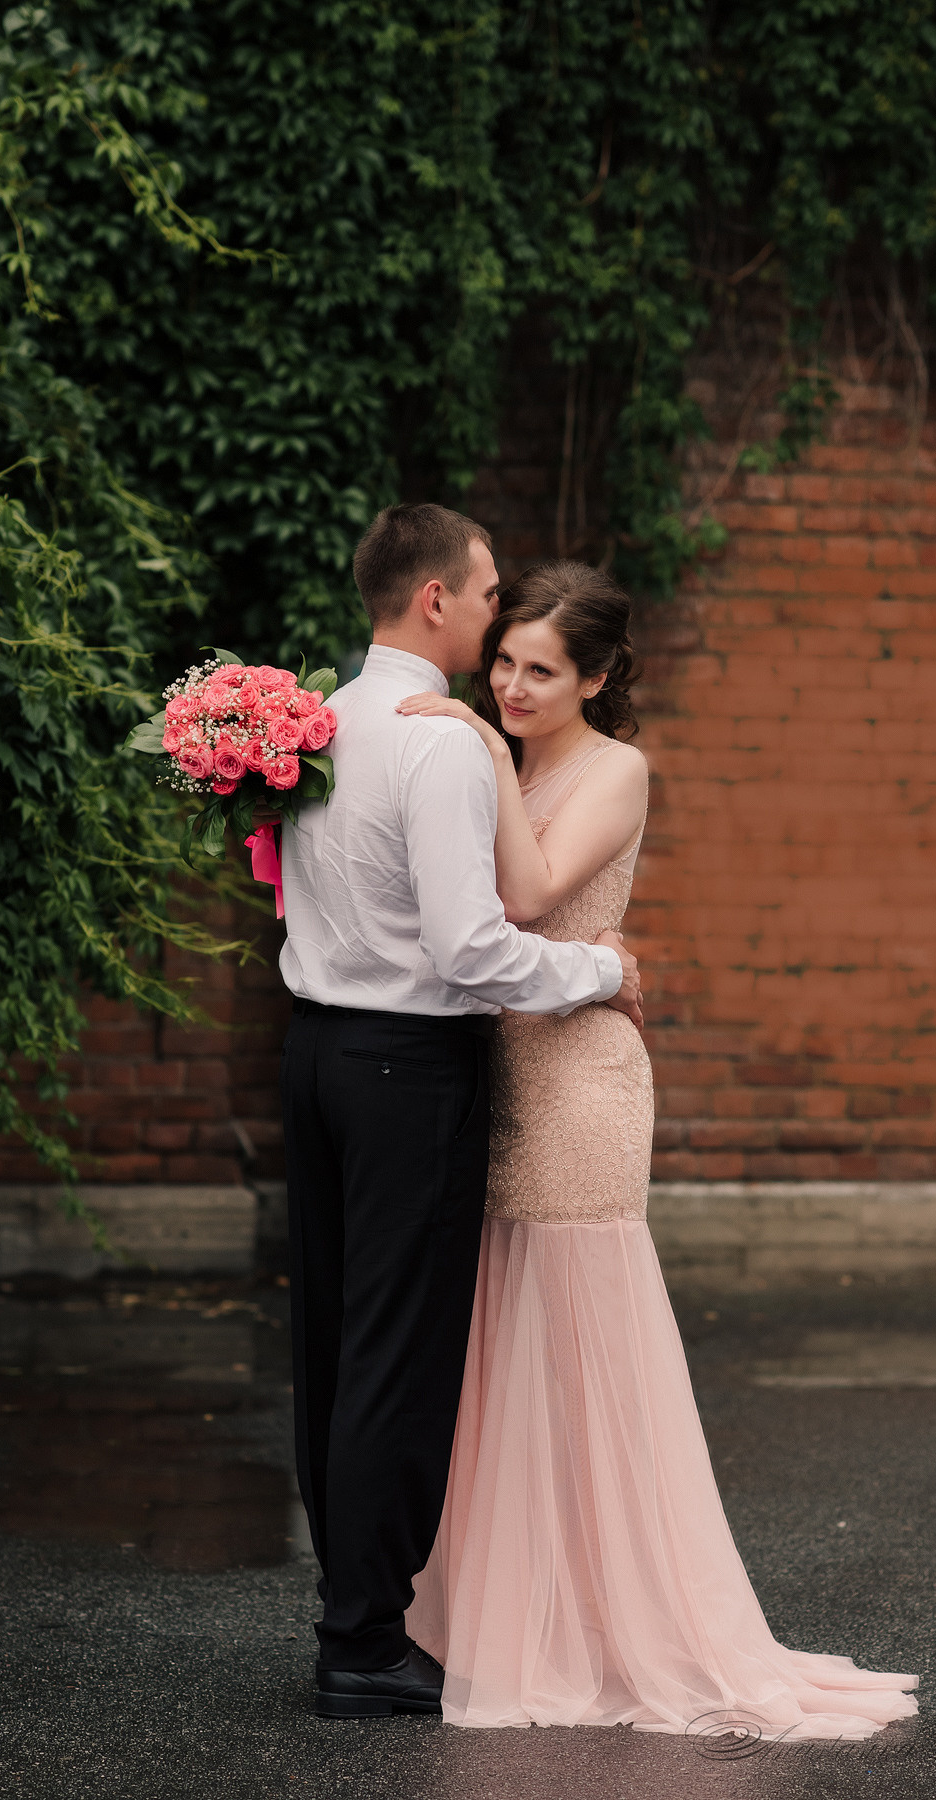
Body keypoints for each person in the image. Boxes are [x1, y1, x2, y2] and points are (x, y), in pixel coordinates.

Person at [396, 560, 920, 1738]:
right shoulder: (509, 750)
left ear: (594, 678)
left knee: (576, 1333)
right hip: (493, 1069)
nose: (515, 685)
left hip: (578, 1076)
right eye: (507, 661)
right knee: (497, 1341)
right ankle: (498, 1616)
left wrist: (479, 749)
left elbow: (522, 899)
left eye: (542, 670)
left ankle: (615, 1627)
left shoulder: (612, 769)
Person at [277, 506, 642, 1720]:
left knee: (331, 1342)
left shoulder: (318, 721)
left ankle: (354, 1613)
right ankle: (366, 1641)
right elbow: (474, 950)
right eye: (488, 597)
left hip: (316, 1053)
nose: (496, 619)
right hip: (403, 1068)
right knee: (394, 1353)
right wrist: (601, 973)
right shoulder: (438, 748)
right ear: (434, 599)